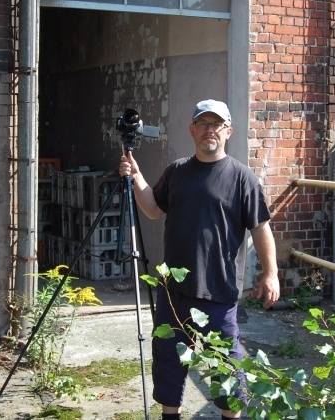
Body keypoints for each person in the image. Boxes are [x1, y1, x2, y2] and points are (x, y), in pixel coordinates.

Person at [119, 99, 280, 420]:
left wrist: (271, 273)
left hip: (219, 293)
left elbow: (261, 228)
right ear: (192, 130)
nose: (210, 130)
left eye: (216, 125)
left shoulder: (242, 178)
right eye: (203, 124)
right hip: (173, 291)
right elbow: (152, 209)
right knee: (168, 360)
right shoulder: (177, 171)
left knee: (227, 368)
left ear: (228, 131)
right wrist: (136, 176)